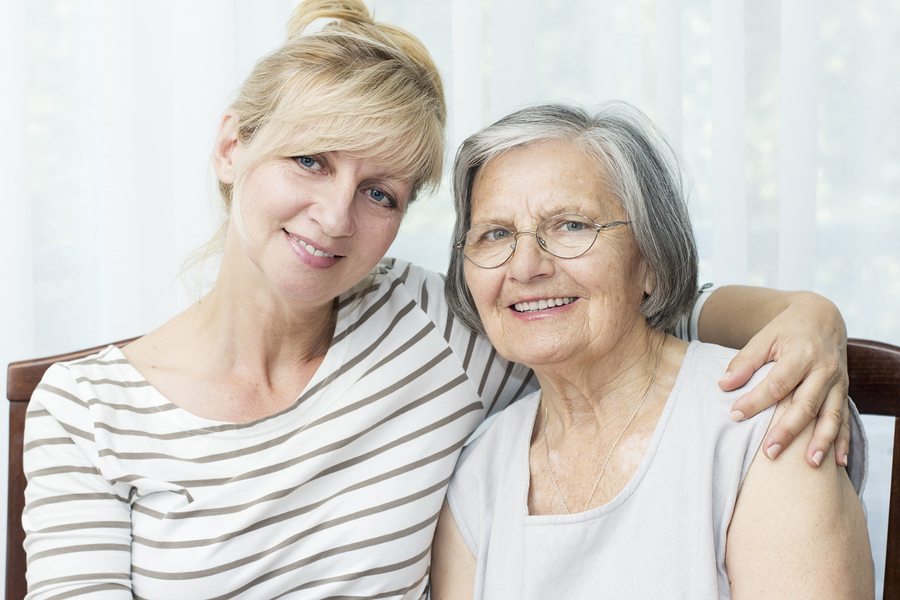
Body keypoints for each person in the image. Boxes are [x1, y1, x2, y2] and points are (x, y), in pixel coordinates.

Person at [22, 1, 854, 598]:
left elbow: (632, 314)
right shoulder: (86, 410)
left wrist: (806, 317)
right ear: (234, 146)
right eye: (311, 160)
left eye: (380, 192)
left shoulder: (433, 331)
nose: (335, 214)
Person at [430, 102, 873, 598]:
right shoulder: (477, 473)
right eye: (496, 234)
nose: (527, 265)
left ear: (652, 261)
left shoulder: (762, 419)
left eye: (571, 225)